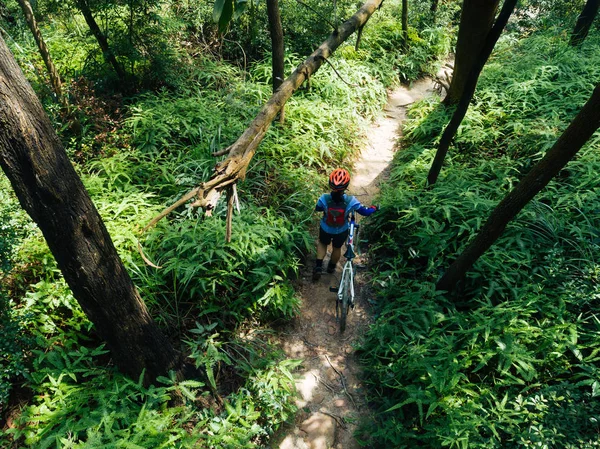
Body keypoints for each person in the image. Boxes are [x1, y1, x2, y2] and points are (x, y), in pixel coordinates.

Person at [313, 168, 377, 282]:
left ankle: (318, 266)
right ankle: (331, 268)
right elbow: (365, 212)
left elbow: (317, 209)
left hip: (325, 228)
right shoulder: (351, 201)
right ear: (346, 185)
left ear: (330, 184)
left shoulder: (324, 198)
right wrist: (373, 208)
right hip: (341, 230)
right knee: (337, 248)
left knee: (322, 243)